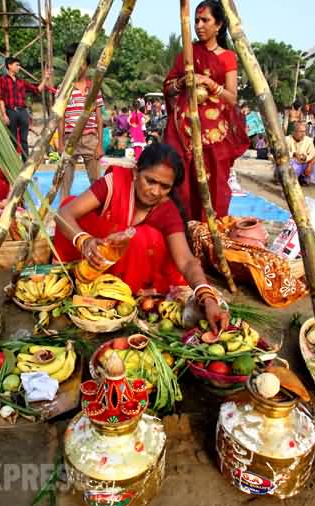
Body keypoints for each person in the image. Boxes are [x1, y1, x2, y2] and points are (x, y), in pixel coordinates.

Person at [53, 142, 230, 332]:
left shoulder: (167, 210)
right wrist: (84, 240)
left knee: (142, 237)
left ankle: (117, 295)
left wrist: (208, 298)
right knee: (74, 206)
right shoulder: (115, 182)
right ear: (136, 172)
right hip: (93, 258)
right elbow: (64, 214)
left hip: (132, 279)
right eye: (150, 181)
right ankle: (73, 279)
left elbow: (186, 261)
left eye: (164, 186)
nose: (155, 191)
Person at [163, 0, 249, 220]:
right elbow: (168, 87)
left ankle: (210, 233)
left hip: (214, 138)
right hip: (184, 133)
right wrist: (182, 82)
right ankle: (181, 228)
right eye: (197, 20)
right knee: (181, 181)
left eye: (205, 20)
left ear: (218, 24)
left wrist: (211, 85)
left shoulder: (227, 57)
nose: (199, 25)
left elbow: (231, 97)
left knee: (214, 184)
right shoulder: (188, 53)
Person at [57, 43, 104, 200]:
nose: (79, 66)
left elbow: (98, 116)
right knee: (65, 181)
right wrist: (61, 143)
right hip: (70, 138)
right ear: (69, 64)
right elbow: (61, 117)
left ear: (87, 64)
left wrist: (99, 145)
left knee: (97, 181)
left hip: (90, 138)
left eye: (82, 62)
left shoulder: (94, 87)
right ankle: (63, 216)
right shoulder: (64, 87)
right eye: (74, 62)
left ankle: (99, 214)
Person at [0, 57, 44, 158]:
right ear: (9, 66)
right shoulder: (2, 80)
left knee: (24, 139)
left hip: (22, 111)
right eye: (16, 65)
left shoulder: (21, 82)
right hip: (11, 111)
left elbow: (37, 89)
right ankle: (13, 162)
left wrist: (46, 79)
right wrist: (4, 114)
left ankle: (25, 162)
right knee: (12, 138)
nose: (19, 67)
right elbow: (0, 98)